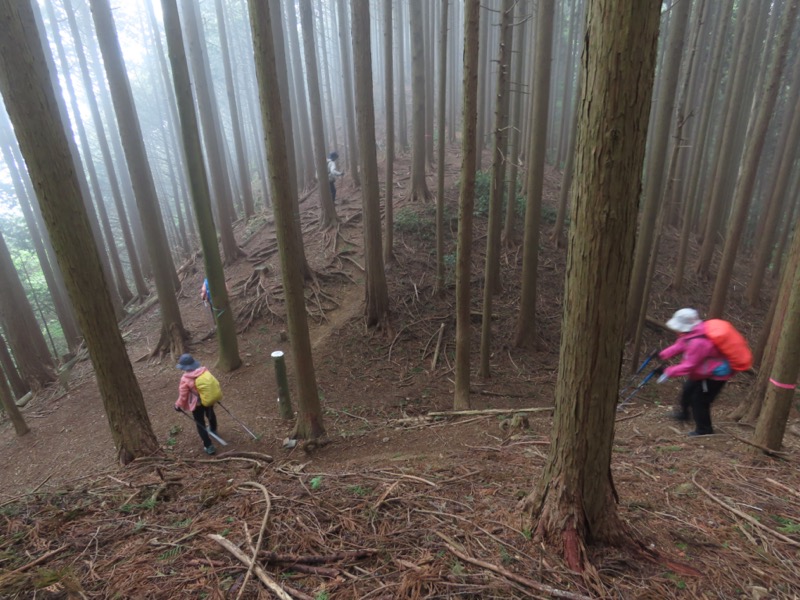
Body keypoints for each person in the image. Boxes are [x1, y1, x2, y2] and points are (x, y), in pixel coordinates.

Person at [655, 308, 733, 436]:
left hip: (714, 375)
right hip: (702, 371)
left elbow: (689, 366)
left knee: (699, 400)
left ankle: (704, 429)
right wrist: (661, 355)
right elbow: (679, 346)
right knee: (687, 390)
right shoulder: (691, 333)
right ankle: (684, 414)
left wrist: (667, 371)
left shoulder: (698, 342)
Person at [174, 353, 219, 454]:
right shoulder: (204, 371)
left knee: (200, 423)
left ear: (183, 367)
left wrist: (178, 405)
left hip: (197, 405)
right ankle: (213, 430)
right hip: (208, 399)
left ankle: (209, 446)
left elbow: (183, 395)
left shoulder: (185, 379)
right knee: (210, 414)